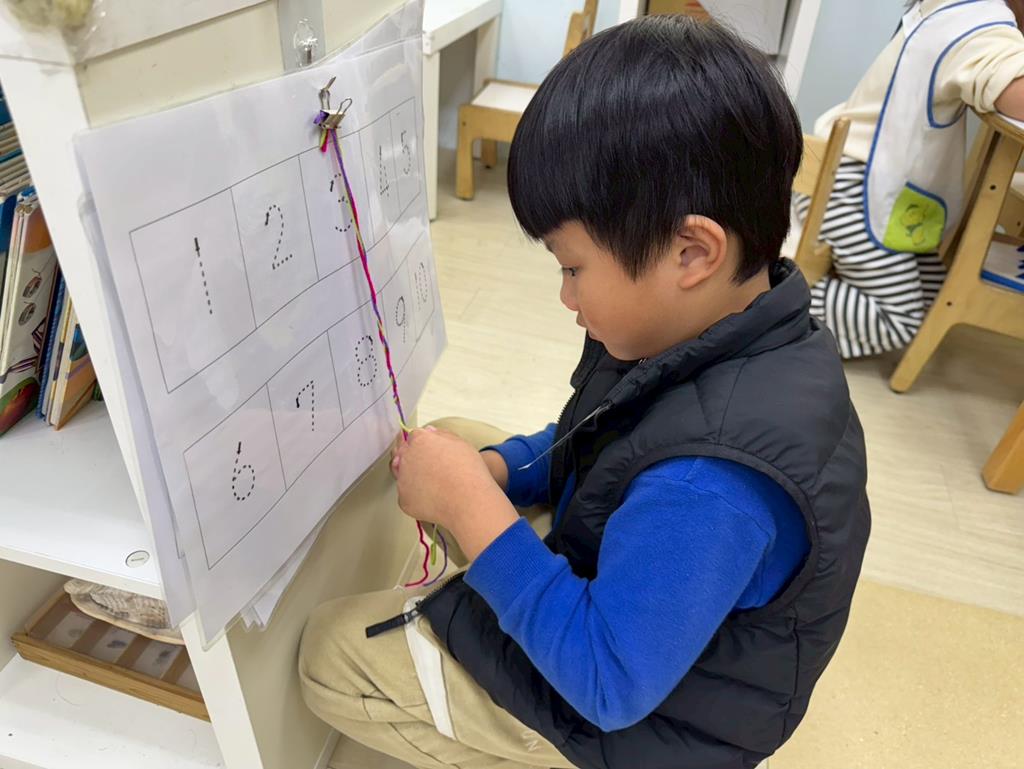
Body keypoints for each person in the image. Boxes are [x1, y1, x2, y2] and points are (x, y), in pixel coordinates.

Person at [299, 14, 871, 769]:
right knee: (459, 439)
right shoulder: (719, 323)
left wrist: (472, 509)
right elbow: (600, 432)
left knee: (328, 655)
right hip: (646, 614)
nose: (566, 295)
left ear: (691, 251)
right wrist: (497, 472)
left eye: (573, 268)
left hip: (642, 721)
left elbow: (608, 683)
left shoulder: (712, 482)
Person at [799, 0, 1024, 358]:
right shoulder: (978, 23)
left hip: (853, 177)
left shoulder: (948, 9)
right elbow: (1009, 87)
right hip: (853, 191)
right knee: (900, 320)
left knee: (933, 291)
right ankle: (766, 304)